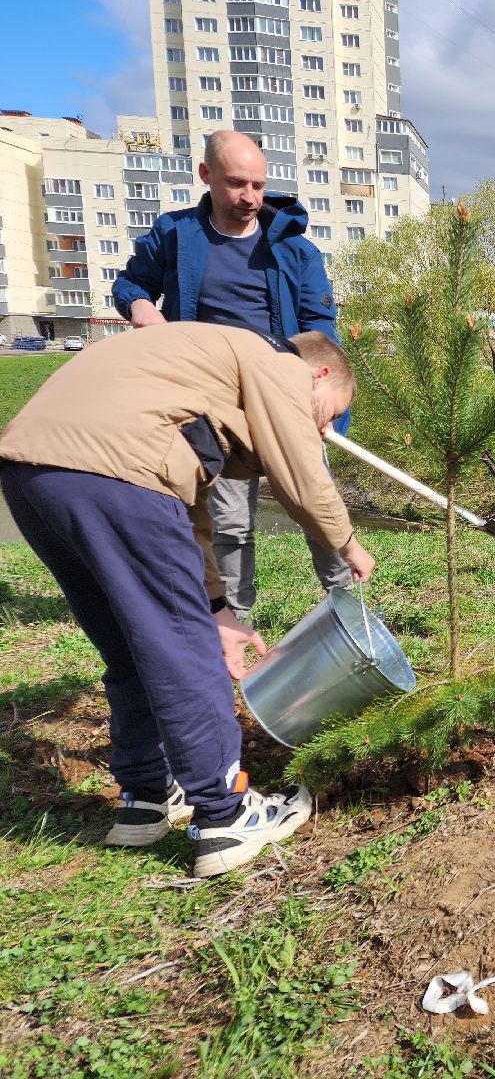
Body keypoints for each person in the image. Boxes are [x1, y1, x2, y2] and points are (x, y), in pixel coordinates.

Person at [0, 322, 375, 878]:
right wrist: (343, 539)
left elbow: (188, 509)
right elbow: (298, 462)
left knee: (132, 647)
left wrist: (219, 608)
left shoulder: (191, 377)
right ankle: (226, 814)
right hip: (118, 475)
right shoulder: (276, 362)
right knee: (183, 651)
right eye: (330, 413)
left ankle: (145, 797)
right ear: (318, 374)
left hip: (33, 476)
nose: (324, 431)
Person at [113, 130, 351, 622]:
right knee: (230, 522)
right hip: (210, 403)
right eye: (237, 184)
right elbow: (131, 283)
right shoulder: (176, 236)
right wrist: (140, 307)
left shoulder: (294, 249)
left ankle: (350, 607)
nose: (250, 198)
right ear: (206, 176)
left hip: (284, 396)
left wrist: (315, 391)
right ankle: (236, 622)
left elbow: (320, 328)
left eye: (259, 186)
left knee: (316, 506)